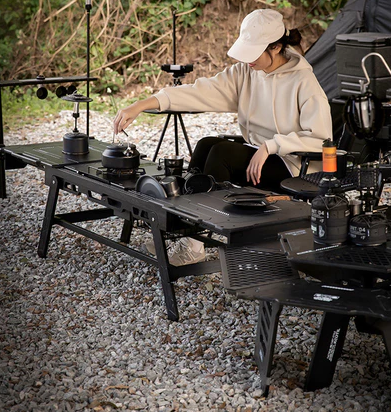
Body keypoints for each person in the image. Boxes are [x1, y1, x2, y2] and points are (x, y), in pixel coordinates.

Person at [114, 8, 333, 265]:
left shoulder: (304, 81)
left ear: (275, 47)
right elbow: (201, 91)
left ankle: (194, 245)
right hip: (257, 156)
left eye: (253, 53)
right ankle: (187, 232)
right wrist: (142, 104)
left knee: (222, 153)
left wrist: (271, 146)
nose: (247, 60)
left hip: (291, 165)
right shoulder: (247, 72)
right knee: (206, 144)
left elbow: (322, 140)